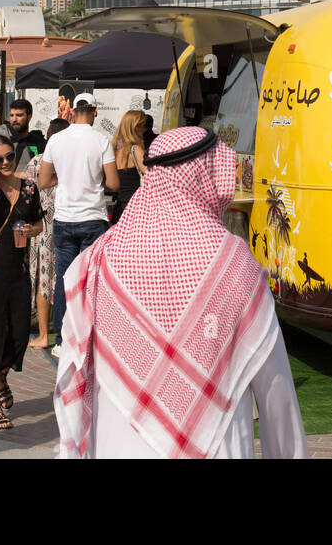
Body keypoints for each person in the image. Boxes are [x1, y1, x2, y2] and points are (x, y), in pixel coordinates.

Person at [53, 127, 307, 459]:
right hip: (217, 445)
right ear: (206, 178)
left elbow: (72, 368)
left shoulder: (97, 260)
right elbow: (274, 384)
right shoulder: (234, 262)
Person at [0, 134, 43, 429]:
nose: (5, 163)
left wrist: (32, 230)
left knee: (18, 335)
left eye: (9, 157)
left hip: (18, 273)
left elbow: (40, 220)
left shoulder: (28, 188)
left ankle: (2, 377)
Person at [39, 93, 119, 354]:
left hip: (64, 218)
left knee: (65, 279)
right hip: (93, 217)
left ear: (72, 112)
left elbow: (43, 180)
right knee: (92, 281)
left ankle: (62, 341)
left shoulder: (56, 139)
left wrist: (63, 182)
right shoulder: (101, 140)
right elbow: (114, 184)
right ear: (95, 111)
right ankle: (91, 338)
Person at [25, 119, 69, 349]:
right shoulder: (71, 161)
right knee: (64, 280)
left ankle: (43, 333)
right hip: (68, 222)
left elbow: (24, 188)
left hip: (42, 227)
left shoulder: (38, 162)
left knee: (44, 279)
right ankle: (61, 331)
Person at [110, 109, 147, 224]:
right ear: (135, 128)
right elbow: (150, 174)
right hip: (135, 209)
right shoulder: (135, 150)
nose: (145, 130)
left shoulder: (114, 150)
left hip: (120, 209)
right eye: (143, 126)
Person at [0, 100, 47, 175]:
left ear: (29, 117)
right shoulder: (4, 141)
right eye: (12, 115)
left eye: (19, 115)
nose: (14, 119)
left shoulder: (39, 142)